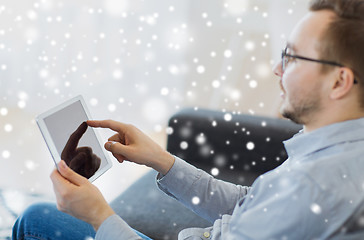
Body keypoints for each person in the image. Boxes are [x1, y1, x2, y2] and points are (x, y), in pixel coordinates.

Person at [12, 0, 364, 239]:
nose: (277, 69)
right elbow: (251, 204)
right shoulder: (336, 149)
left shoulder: (316, 186)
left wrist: (99, 216)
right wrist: (163, 162)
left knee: (35, 219)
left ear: (339, 82)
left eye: (292, 57)